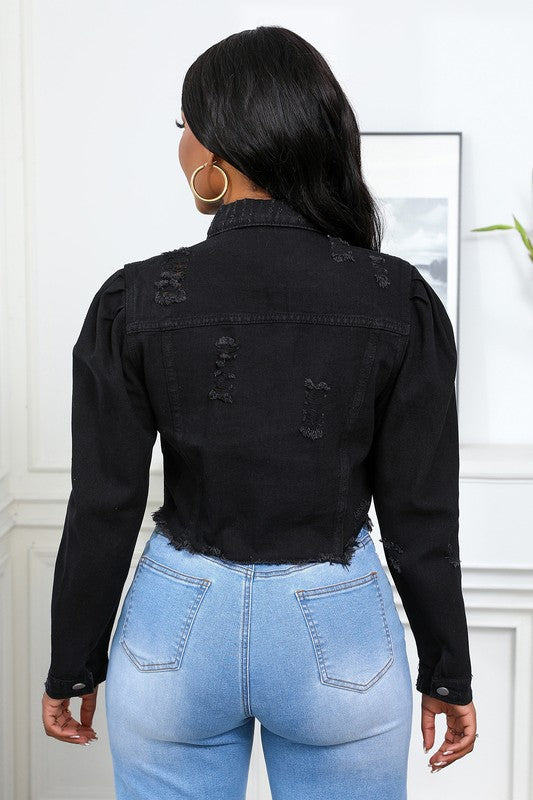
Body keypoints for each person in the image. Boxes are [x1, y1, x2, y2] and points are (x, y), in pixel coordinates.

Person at [42, 24, 477, 799]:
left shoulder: (133, 300)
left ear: (217, 149)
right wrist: (447, 670)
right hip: (338, 629)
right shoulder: (398, 298)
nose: (180, 144)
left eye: (184, 125)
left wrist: (73, 662)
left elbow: (103, 503)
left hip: (175, 627)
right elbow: (419, 515)